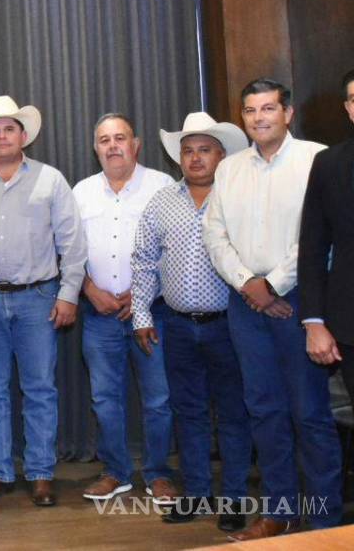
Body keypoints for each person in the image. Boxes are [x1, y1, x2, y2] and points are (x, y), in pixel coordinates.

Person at [203, 78, 342, 540]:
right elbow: (214, 235)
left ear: (288, 113)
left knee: (310, 414)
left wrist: (274, 285)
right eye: (250, 110)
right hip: (245, 304)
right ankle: (280, 512)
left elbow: (320, 235)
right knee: (263, 411)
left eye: (267, 108)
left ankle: (323, 521)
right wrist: (248, 284)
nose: (258, 118)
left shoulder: (316, 159)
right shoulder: (229, 170)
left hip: (303, 301)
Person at [0, 95, 86, 508]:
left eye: (9, 129)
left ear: (24, 135)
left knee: (40, 389)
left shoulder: (51, 179)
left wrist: (69, 294)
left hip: (39, 299)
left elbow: (72, 242)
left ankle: (41, 473)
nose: (1, 136)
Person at [131, 113, 251, 531]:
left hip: (231, 325)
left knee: (233, 414)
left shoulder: (238, 198)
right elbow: (144, 262)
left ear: (221, 155)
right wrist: (141, 314)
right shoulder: (162, 202)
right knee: (189, 413)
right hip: (177, 325)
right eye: (188, 151)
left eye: (205, 150)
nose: (195, 158)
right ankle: (198, 494)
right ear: (178, 157)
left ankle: (234, 499)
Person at [72, 114, 176, 504]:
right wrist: (88, 289)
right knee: (104, 399)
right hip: (98, 314)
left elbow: (175, 248)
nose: (113, 146)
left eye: (120, 138)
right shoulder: (81, 192)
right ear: (95, 148)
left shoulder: (162, 187)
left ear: (136, 144)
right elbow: (68, 251)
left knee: (159, 399)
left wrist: (144, 292)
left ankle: (158, 473)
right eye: (104, 140)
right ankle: (115, 472)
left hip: (152, 313)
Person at [300, 68, 354, 398]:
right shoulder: (328, 164)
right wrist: (314, 322)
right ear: (348, 108)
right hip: (350, 324)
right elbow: (312, 249)